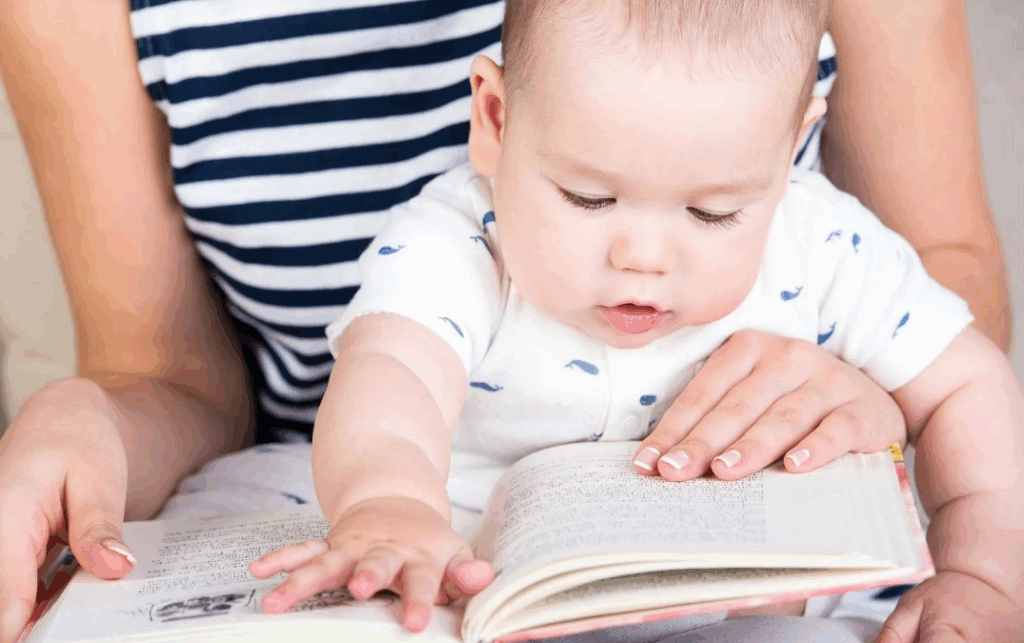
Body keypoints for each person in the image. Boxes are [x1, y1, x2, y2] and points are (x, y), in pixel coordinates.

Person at [0, 0, 1012, 641]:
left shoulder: (820, 235)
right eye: (587, 197)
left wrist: (984, 568)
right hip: (465, 544)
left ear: (789, 147)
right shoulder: (457, 236)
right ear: (494, 118)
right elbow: (392, 374)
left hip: (739, 564)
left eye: (713, 213)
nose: (644, 255)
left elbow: (967, 378)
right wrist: (388, 500)